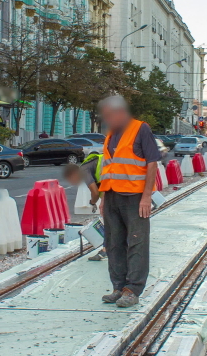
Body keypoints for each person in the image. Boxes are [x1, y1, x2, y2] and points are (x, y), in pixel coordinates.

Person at [96, 95, 160, 308]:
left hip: (134, 197)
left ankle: (132, 289)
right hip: (112, 195)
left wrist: (147, 197)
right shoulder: (111, 134)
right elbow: (109, 168)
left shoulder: (141, 129)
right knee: (113, 243)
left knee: (137, 242)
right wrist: (104, 198)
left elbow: (152, 163)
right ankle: (118, 286)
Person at [62, 152, 106, 261]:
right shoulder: (93, 163)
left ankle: (106, 251)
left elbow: (95, 192)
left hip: (116, 187)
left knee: (111, 222)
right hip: (120, 183)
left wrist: (92, 202)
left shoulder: (84, 170)